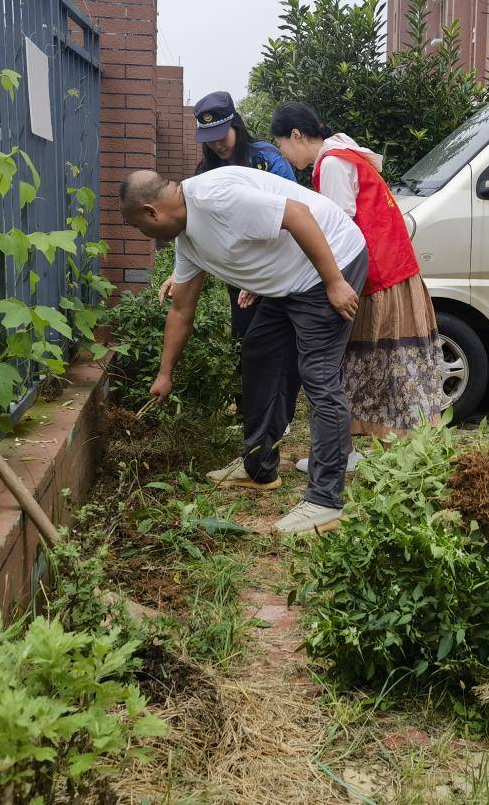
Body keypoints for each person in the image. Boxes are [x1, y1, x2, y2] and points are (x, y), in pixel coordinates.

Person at [119, 167, 367, 535]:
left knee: (318, 373)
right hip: (288, 281)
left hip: (329, 261)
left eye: (138, 227)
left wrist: (334, 282)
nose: (143, 236)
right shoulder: (188, 240)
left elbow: (298, 215)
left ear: (152, 212)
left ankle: (325, 501)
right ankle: (259, 466)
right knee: (259, 352)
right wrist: (164, 373)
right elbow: (182, 309)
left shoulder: (216, 199)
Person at [270, 102, 444, 454]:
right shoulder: (342, 153)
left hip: (375, 277)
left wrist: (323, 281)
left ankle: (349, 453)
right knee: (385, 364)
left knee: (365, 363)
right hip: (392, 269)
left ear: (296, 135)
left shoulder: (332, 163)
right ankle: (394, 451)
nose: (283, 155)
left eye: (280, 145)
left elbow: (337, 229)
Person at [158, 90, 301, 423]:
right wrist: (177, 275)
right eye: (210, 139)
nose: (218, 144)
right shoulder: (204, 170)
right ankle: (248, 405)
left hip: (277, 266)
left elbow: (294, 212)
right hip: (239, 272)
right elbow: (196, 233)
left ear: (236, 124)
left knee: (278, 340)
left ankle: (281, 406)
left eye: (222, 135)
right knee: (246, 337)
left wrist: (263, 276)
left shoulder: (266, 158)